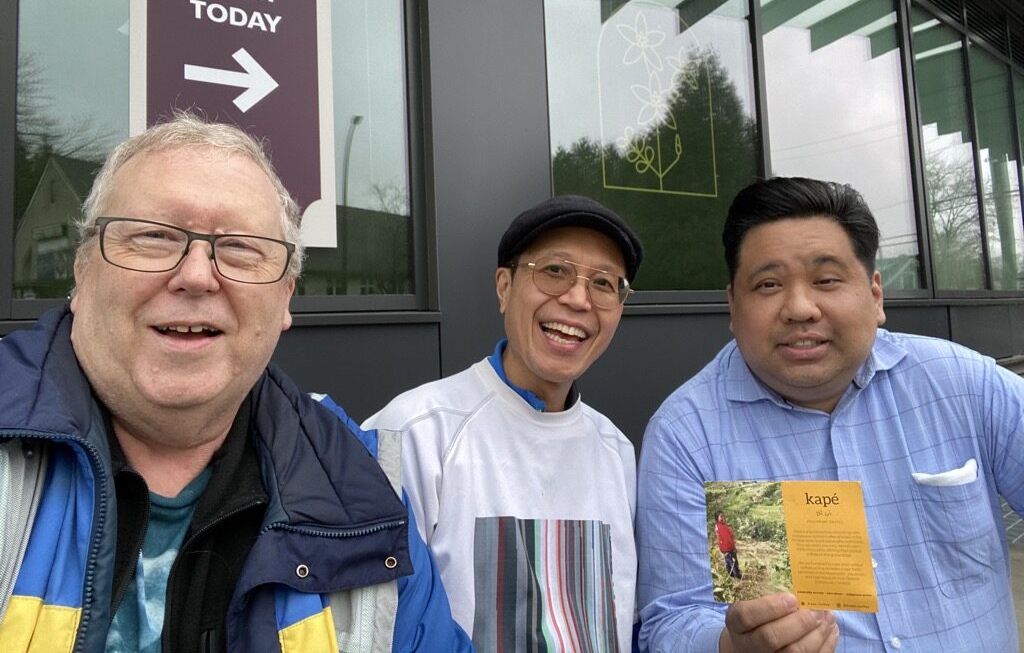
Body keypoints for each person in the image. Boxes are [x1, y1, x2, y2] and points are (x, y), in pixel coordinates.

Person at [0, 114, 471, 653]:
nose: (197, 276)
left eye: (242, 248)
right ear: (82, 273)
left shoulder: (363, 493)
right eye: (154, 237)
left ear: (286, 297)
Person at [636, 176, 1024, 653]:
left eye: (826, 280)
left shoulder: (965, 384)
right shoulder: (686, 434)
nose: (800, 308)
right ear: (732, 307)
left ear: (875, 295)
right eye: (769, 284)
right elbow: (668, 621)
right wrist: (727, 645)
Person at [364, 194, 643, 651]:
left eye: (604, 284)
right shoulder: (417, 429)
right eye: (555, 270)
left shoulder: (616, 450)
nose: (577, 299)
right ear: (504, 287)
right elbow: (373, 621)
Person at [714, 512, 741, 580]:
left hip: (729, 548)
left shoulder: (724, 526)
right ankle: (737, 576)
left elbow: (730, 537)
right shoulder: (718, 527)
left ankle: (731, 576)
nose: (723, 518)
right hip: (727, 548)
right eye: (721, 517)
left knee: (729, 562)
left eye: (724, 516)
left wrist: (734, 546)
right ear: (717, 518)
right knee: (733, 563)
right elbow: (720, 538)